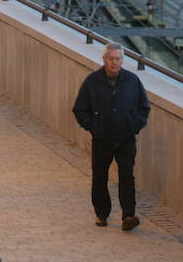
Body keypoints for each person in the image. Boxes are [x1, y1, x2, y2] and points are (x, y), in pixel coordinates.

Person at [72, 42, 150, 231]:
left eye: (118, 59)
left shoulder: (132, 81)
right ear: (104, 59)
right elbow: (80, 109)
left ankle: (128, 215)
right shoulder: (92, 81)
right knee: (100, 177)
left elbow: (144, 107)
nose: (115, 63)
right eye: (111, 59)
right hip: (102, 139)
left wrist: (134, 126)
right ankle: (101, 213)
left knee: (127, 177)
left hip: (126, 138)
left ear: (122, 60)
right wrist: (94, 127)